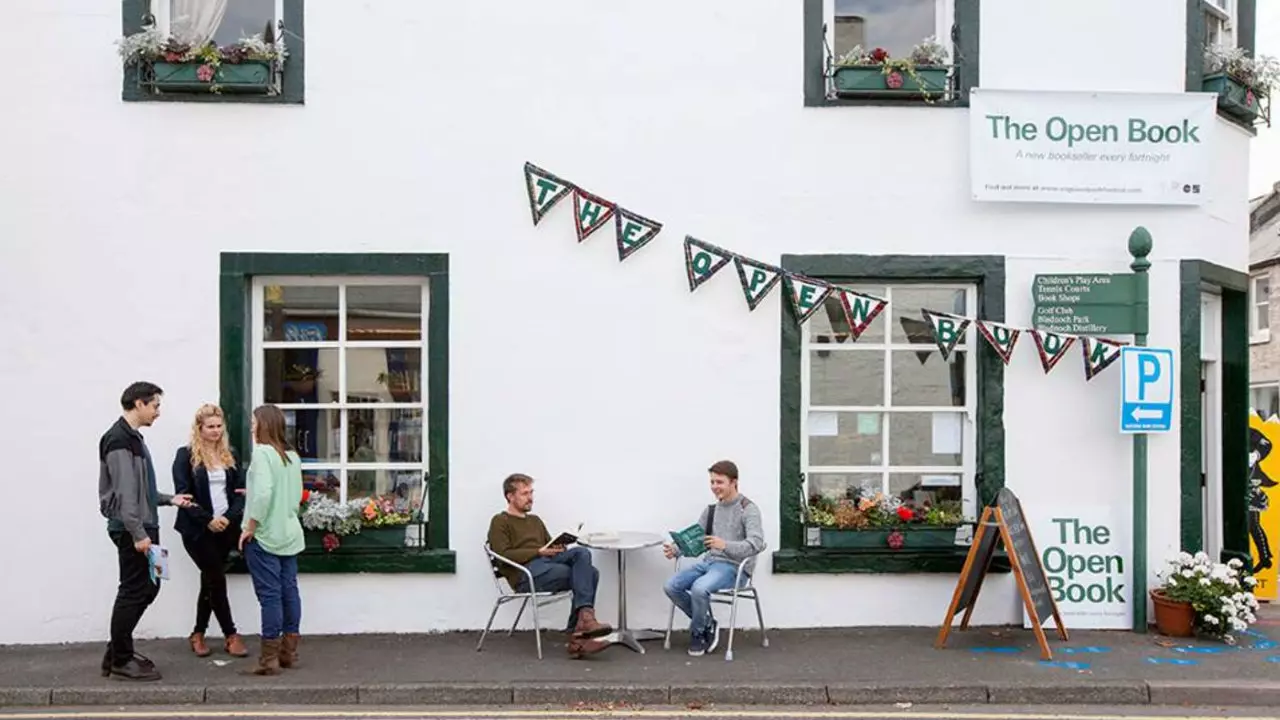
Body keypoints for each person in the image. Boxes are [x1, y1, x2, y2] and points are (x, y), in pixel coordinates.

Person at [98, 381, 193, 681]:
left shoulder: (134, 438)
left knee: (149, 587)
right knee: (132, 590)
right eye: (155, 405)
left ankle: (117, 650)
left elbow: (141, 489)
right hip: (132, 528)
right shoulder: (119, 440)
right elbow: (126, 495)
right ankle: (121, 659)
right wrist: (138, 534)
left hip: (142, 523)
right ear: (138, 403)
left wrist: (169, 499)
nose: (158, 412)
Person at [487, 473, 612, 658]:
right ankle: (579, 636)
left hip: (546, 565)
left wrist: (557, 547)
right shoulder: (500, 521)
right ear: (510, 496)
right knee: (589, 574)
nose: (530, 498)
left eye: (531, 492)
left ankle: (583, 625)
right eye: (524, 493)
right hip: (525, 574)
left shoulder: (535, 520)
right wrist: (538, 552)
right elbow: (503, 555)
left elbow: (546, 546)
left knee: (582, 554)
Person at [662, 460, 766, 657]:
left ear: (734, 482)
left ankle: (698, 632)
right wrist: (675, 549)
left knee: (700, 588)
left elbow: (756, 544)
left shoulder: (748, 509)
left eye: (719, 482)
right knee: (671, 586)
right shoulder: (711, 510)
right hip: (709, 563)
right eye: (712, 482)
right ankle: (707, 623)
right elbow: (697, 538)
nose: (714, 487)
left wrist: (724, 545)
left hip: (735, 568)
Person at [173, 404, 249, 659]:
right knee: (216, 578)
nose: (216, 431)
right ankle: (231, 634)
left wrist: (228, 518)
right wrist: (207, 520)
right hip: (197, 530)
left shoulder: (231, 454)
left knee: (210, 580)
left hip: (225, 529)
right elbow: (184, 496)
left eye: (219, 426)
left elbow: (240, 493)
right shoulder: (185, 456)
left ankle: (197, 633)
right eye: (210, 427)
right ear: (199, 429)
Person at [238, 404, 305, 676]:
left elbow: (264, 494)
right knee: (290, 591)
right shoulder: (292, 456)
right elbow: (295, 494)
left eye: (254, 422)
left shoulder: (262, 454)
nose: (251, 426)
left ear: (263, 424)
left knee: (270, 597)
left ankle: (268, 660)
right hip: (290, 532)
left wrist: (250, 526)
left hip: (265, 535)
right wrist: (251, 491)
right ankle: (288, 653)